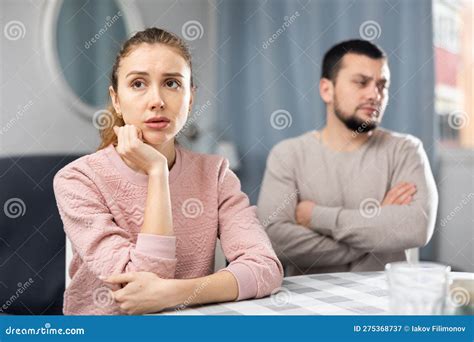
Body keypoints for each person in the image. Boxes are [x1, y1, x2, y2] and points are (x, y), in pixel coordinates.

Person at [53, 27, 283, 315]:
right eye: (138, 84)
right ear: (115, 100)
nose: (156, 100)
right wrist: (158, 172)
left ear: (190, 98)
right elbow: (137, 292)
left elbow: (265, 268)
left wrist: (175, 293)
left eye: (172, 83)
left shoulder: (216, 174)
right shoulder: (78, 180)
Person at [257, 39, 438, 276]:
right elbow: (275, 240)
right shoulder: (288, 154)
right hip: (307, 302)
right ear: (326, 89)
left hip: (384, 303)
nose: (375, 94)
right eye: (361, 82)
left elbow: (416, 227)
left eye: (382, 85)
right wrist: (376, 229)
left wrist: (316, 216)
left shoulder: (406, 149)